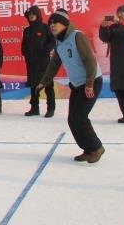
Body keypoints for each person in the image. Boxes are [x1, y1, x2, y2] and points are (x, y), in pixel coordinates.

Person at [37, 9, 105, 163]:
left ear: (65, 24)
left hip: (91, 82)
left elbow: (90, 61)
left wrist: (89, 84)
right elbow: (54, 64)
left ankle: (96, 147)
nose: (52, 26)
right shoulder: (59, 42)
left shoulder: (77, 36)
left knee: (80, 117)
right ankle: (88, 149)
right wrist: (43, 81)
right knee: (72, 119)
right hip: (77, 85)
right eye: (50, 23)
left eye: (56, 23)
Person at [21, 6, 56, 117]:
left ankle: (51, 108)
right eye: (29, 15)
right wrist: (24, 52)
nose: (31, 16)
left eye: (33, 14)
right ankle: (34, 108)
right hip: (31, 63)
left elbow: (53, 41)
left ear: (38, 15)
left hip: (44, 62)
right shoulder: (27, 30)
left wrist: (45, 50)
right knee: (33, 87)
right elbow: (24, 44)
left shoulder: (45, 28)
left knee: (48, 86)